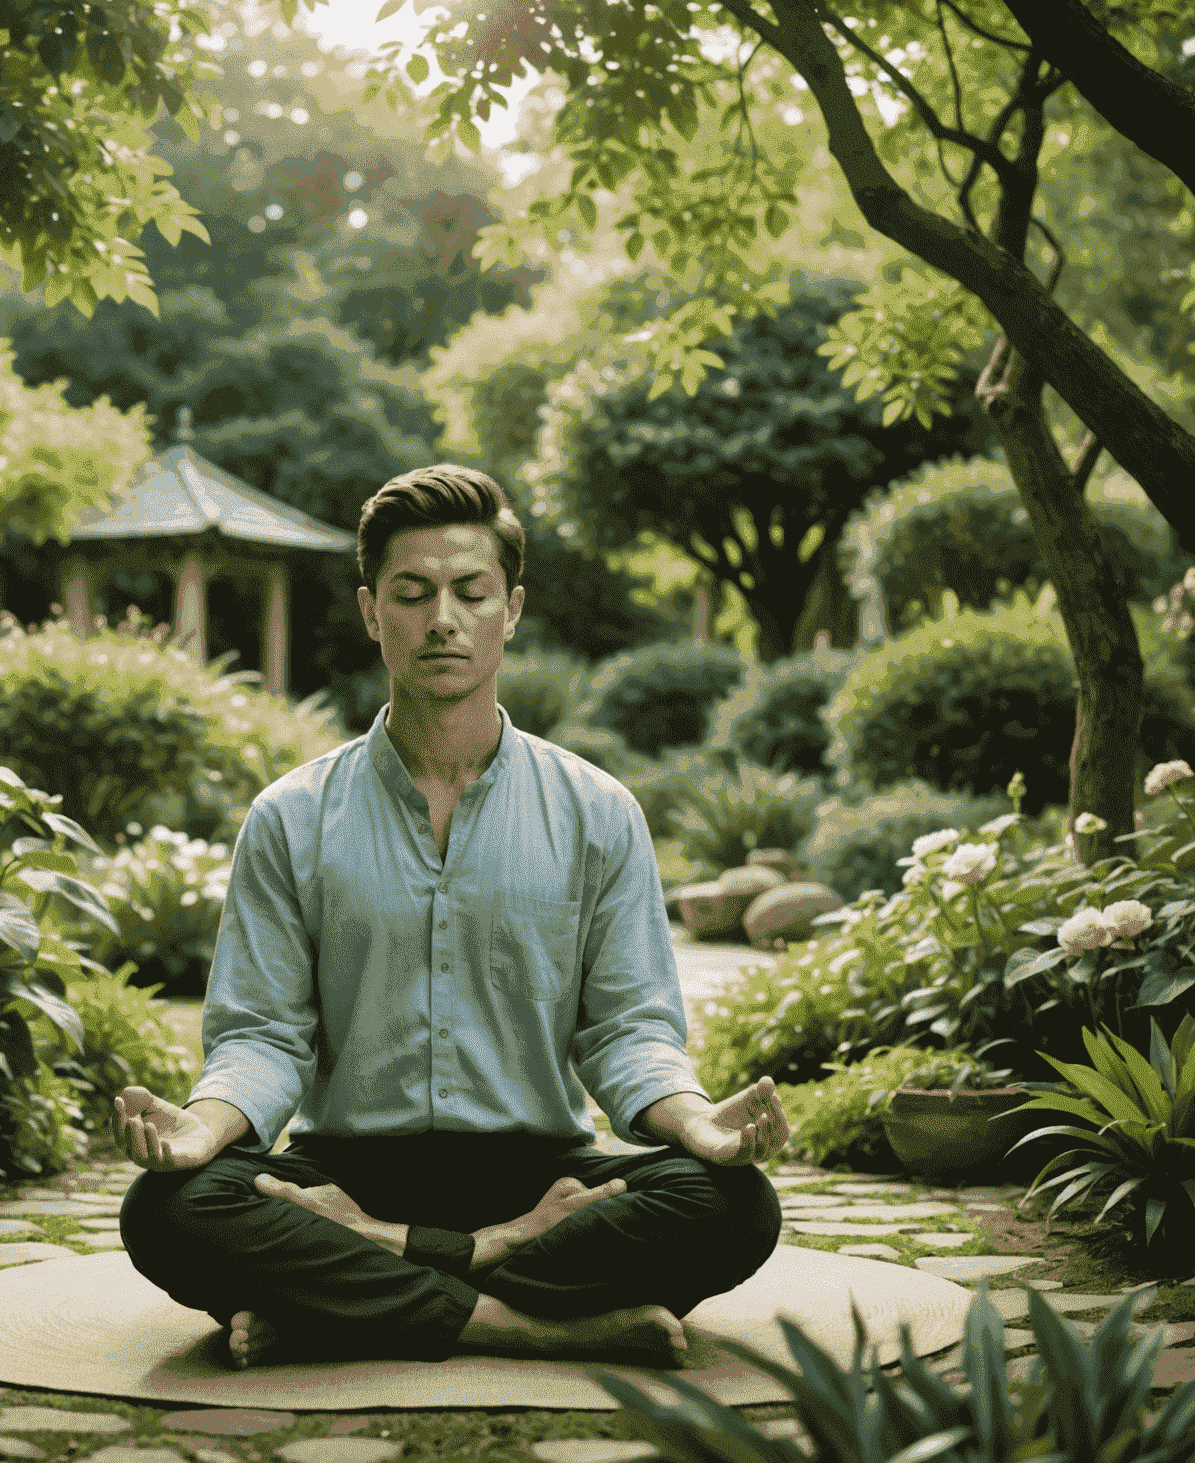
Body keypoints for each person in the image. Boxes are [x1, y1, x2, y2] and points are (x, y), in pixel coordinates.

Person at [114, 464, 788, 1371]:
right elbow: (266, 1035)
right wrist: (202, 1128)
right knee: (168, 1211)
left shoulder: (597, 811)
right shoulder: (291, 816)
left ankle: (354, 1301)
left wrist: (700, 1126)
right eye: (413, 593)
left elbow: (628, 1028)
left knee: (734, 1204)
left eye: (471, 592)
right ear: (370, 610)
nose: (444, 619)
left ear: (510, 608)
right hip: (344, 1173)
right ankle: (532, 1322)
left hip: (540, 1176)